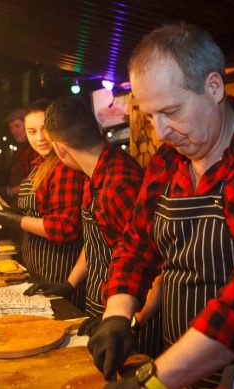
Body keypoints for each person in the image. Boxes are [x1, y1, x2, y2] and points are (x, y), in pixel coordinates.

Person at [87, 23, 234, 389]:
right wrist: (117, 314)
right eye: (150, 115)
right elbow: (136, 248)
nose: (160, 132)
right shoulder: (166, 162)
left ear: (214, 87)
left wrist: (152, 381)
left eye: (170, 111)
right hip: (178, 372)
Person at [30, 96, 163, 359]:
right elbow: (96, 241)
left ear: (60, 149)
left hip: (132, 317)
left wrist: (128, 320)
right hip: (104, 307)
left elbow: (153, 264)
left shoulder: (119, 183)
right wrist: (69, 284)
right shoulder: (94, 175)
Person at [0, 99, 85, 310]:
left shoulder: (65, 167)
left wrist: (17, 219)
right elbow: (40, 212)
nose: (39, 138)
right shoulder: (40, 164)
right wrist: (11, 211)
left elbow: (66, 227)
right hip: (38, 267)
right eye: (31, 131)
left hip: (60, 272)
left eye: (45, 130)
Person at [4, 107, 39, 198]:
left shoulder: (35, 148)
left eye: (17, 126)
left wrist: (12, 191)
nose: (13, 131)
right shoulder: (21, 149)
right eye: (11, 128)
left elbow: (37, 180)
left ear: (28, 125)